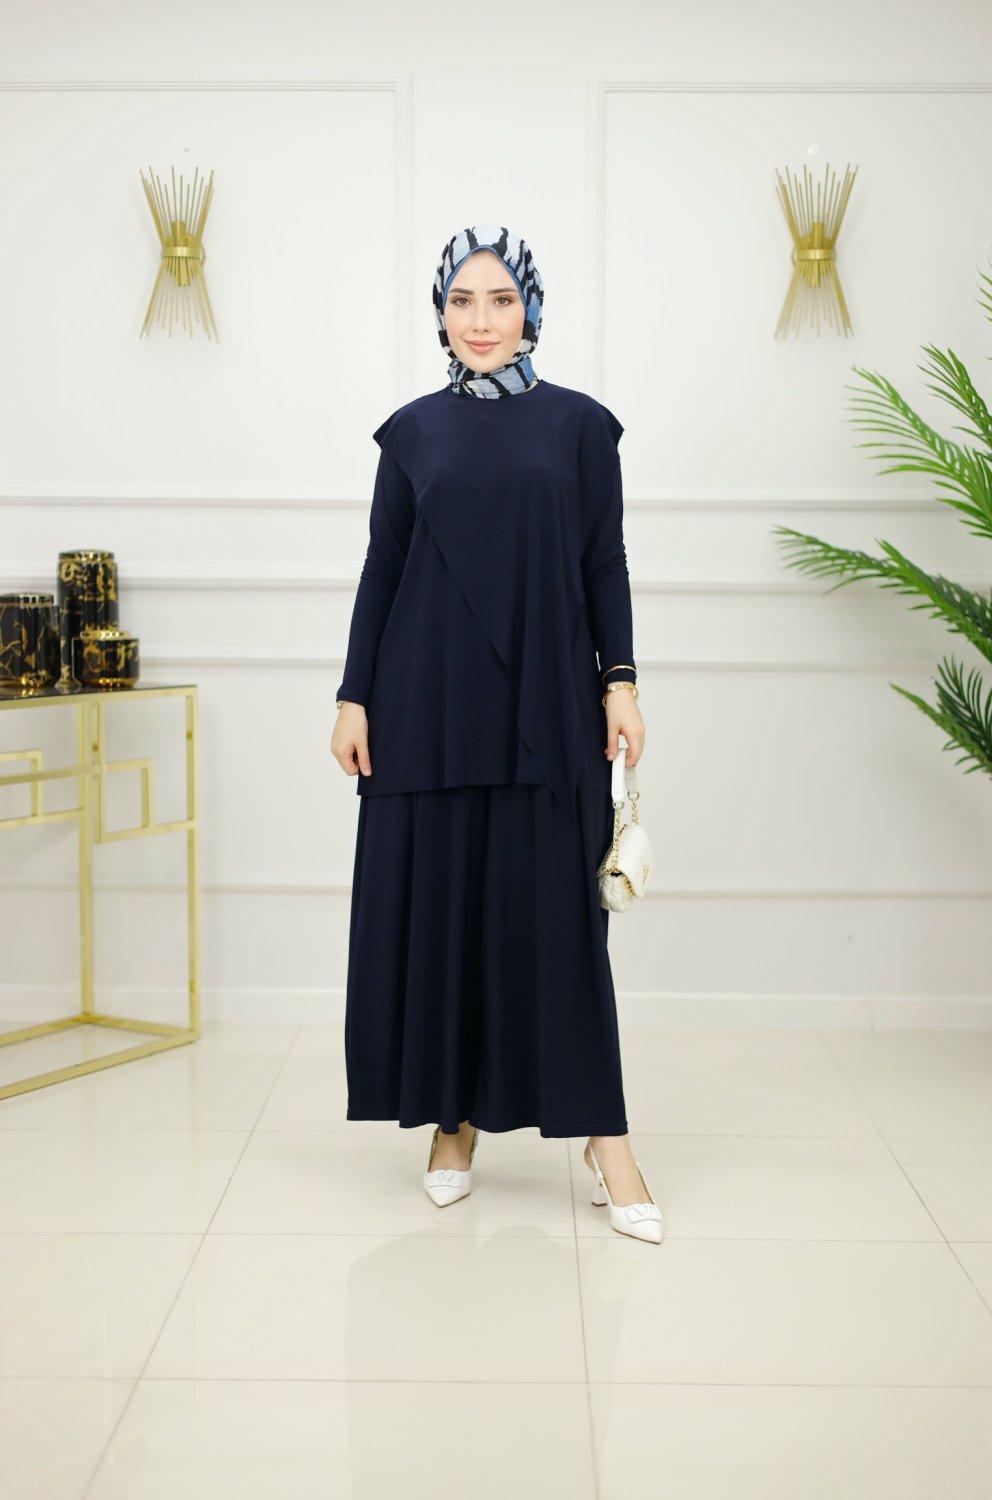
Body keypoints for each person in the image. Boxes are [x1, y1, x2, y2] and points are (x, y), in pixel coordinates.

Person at [330, 224, 661, 1243]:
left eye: (501, 300)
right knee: (446, 919)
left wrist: (619, 682)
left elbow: (603, 560)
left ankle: (607, 1144)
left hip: (546, 705)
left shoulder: (579, 428)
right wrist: (354, 695)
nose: (482, 321)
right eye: (463, 301)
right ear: (441, 314)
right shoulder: (412, 434)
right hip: (424, 705)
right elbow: (383, 568)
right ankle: (453, 1124)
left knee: (560, 928)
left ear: (531, 311)